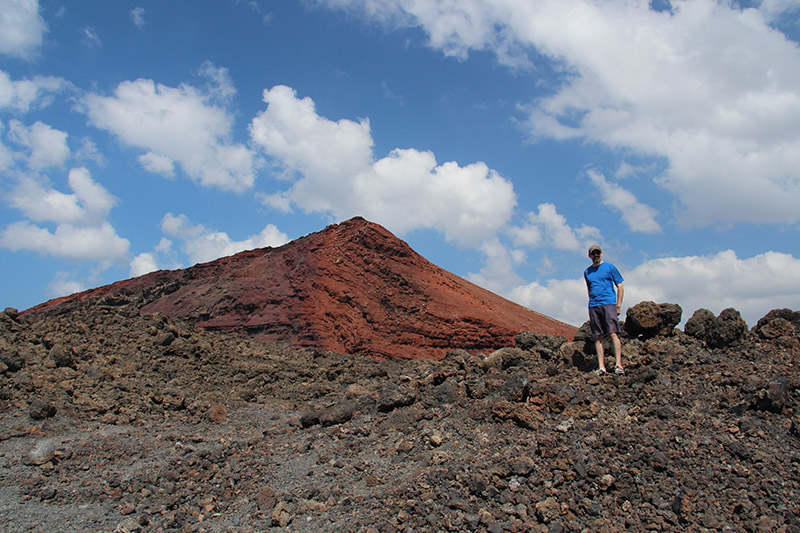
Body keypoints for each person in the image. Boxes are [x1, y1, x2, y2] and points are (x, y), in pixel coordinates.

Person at [584, 245, 625, 375]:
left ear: (601, 254)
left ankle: (618, 364)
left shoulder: (610, 267)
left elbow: (620, 286)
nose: (595, 256)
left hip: (608, 303)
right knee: (597, 336)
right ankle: (601, 367)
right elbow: (589, 289)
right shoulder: (587, 272)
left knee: (613, 333)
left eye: (597, 253)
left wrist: (618, 305)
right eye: (593, 254)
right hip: (594, 305)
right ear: (589, 256)